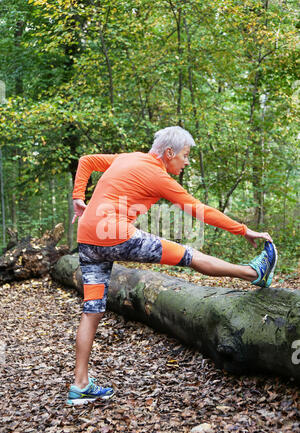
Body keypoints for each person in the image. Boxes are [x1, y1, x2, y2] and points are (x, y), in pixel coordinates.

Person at [67, 126, 277, 405]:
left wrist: (78, 197)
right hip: (114, 234)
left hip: (87, 238)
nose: (187, 161)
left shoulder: (127, 157)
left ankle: (80, 385)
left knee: (92, 310)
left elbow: (87, 161)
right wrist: (244, 230)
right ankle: (254, 272)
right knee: (189, 255)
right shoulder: (157, 175)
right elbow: (200, 210)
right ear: (169, 153)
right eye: (185, 155)